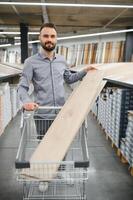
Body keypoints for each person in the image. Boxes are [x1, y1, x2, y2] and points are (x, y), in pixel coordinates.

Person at [17, 22, 96, 191]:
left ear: (56, 39)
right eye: (46, 36)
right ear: (40, 38)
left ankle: (59, 171)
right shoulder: (31, 62)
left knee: (63, 145)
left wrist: (84, 72)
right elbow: (22, 87)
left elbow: (68, 78)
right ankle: (44, 177)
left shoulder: (61, 60)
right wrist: (26, 102)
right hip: (43, 114)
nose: (49, 39)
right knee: (44, 146)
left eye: (52, 36)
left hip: (62, 113)